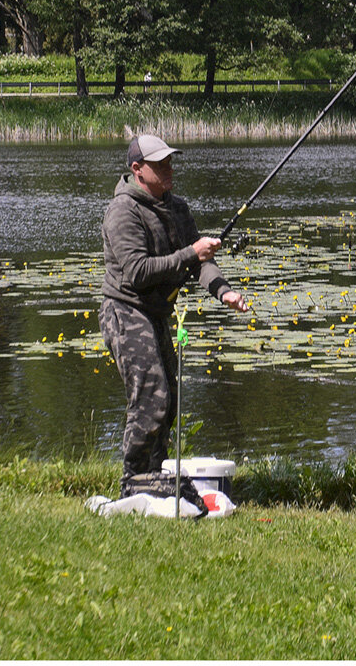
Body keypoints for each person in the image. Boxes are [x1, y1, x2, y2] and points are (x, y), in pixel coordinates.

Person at [100, 134, 248, 497]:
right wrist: (190, 253)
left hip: (156, 313)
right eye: (160, 163)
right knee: (151, 396)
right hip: (125, 310)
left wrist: (223, 290)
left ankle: (155, 474)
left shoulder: (177, 207)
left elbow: (202, 263)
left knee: (169, 402)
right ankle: (133, 479)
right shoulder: (122, 211)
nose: (169, 168)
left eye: (170, 161)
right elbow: (137, 271)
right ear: (137, 170)